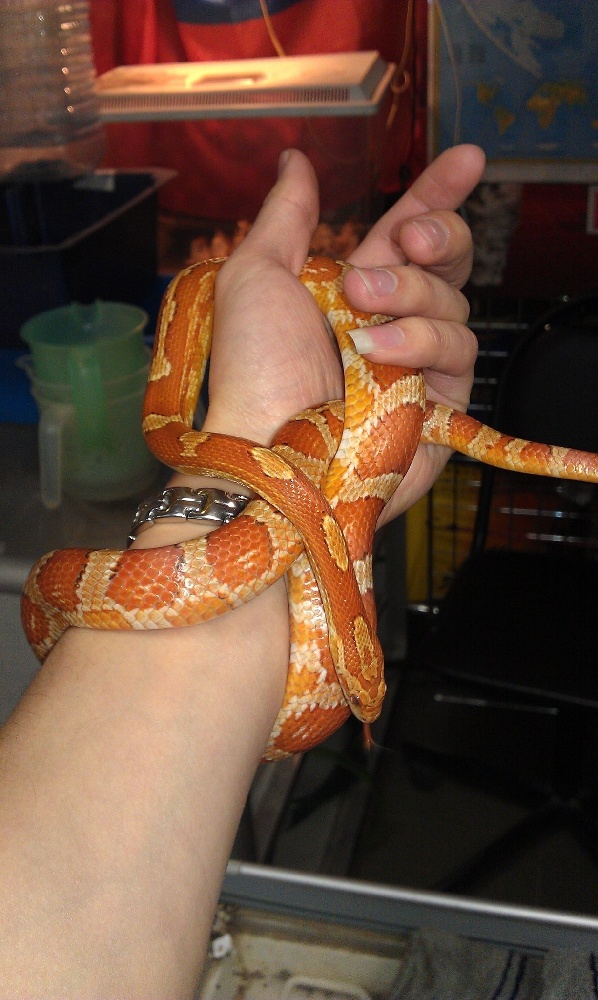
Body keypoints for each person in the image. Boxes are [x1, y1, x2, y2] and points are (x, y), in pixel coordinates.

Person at [0, 144, 484, 997]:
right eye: (359, 683)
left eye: (358, 689)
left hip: (300, 485)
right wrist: (274, 449)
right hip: (286, 486)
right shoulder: (315, 529)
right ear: (359, 641)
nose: (355, 702)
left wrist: (303, 461)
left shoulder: (325, 521)